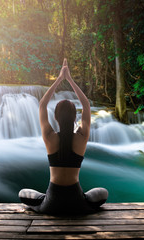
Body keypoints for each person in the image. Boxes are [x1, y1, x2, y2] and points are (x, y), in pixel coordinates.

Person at [18, 59, 108, 215]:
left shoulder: (49, 137)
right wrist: (70, 79)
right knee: (103, 192)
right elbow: (86, 105)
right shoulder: (82, 137)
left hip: (52, 202)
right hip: (77, 202)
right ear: (74, 118)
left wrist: (59, 79)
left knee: (23, 193)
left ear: (56, 117)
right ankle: (83, 199)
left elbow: (42, 105)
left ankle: (43, 198)